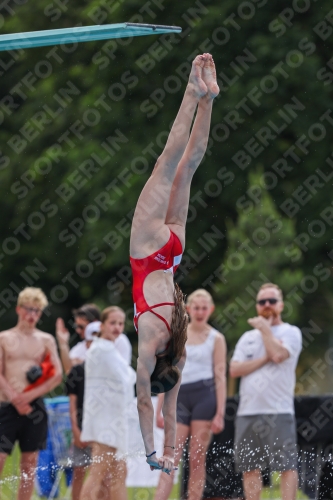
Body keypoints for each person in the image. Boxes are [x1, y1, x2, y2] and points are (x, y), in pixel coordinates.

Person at [129, 53, 220, 474]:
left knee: (189, 167)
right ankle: (192, 89)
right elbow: (148, 402)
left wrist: (165, 453)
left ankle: (209, 100)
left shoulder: (179, 353)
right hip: (149, 251)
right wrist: (150, 452)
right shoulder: (150, 344)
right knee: (167, 163)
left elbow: (171, 406)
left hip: (173, 253)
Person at [229, 283, 302, 500]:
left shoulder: (291, 332)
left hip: (279, 410)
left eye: (272, 301)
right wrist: (264, 358)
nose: (267, 305)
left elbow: (279, 355)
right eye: (262, 301)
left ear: (281, 304)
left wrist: (265, 330)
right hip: (247, 411)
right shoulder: (247, 337)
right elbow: (234, 369)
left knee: (286, 466)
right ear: (256, 306)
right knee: (249, 467)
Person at [154, 289, 226, 500]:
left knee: (196, 457)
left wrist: (220, 412)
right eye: (197, 307)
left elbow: (221, 377)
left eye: (204, 308)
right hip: (179, 395)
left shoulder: (217, 338)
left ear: (210, 310)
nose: (200, 312)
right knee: (170, 457)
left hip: (205, 396)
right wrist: (159, 409)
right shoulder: (177, 335)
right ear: (188, 309)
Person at [0, 287, 62, 500]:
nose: (32, 315)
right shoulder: (4, 337)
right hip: (6, 406)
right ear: (18, 309)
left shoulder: (46, 340)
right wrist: (15, 398)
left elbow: (57, 375)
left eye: (37, 311)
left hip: (33, 407)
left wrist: (28, 396)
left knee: (29, 465)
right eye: (28, 309)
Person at [80, 306, 136, 500]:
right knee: (98, 472)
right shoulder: (102, 349)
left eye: (121, 323)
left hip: (112, 420)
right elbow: (127, 377)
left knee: (119, 471)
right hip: (106, 422)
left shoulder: (107, 348)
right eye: (112, 323)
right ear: (102, 325)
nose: (117, 328)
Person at [65, 321, 99, 500]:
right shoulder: (77, 371)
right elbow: (72, 403)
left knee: (104, 474)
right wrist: (76, 431)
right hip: (82, 428)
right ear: (86, 344)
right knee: (79, 470)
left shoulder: (109, 371)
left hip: (103, 430)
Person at [56, 303, 132, 373]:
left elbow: (119, 370)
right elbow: (69, 371)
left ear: (95, 323)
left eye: (81, 327)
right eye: (77, 326)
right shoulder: (79, 348)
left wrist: (82, 363)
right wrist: (63, 343)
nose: (78, 330)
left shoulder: (119, 340)